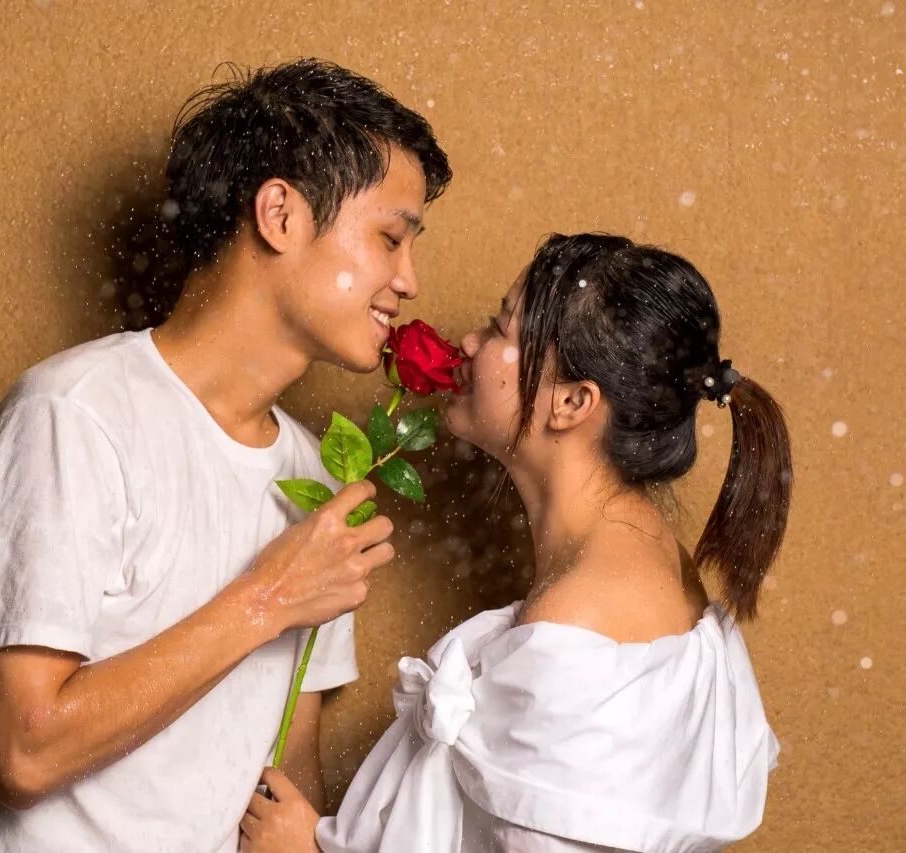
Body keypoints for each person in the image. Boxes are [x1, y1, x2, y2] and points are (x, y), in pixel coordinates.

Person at [0, 58, 452, 852]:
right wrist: (268, 597)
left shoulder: (320, 476)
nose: (408, 281)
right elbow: (25, 750)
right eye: (390, 238)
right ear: (280, 214)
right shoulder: (75, 414)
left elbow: (283, 769)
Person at [240, 233, 791, 852]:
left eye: (499, 328)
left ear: (572, 402)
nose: (469, 343)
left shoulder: (575, 625)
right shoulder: (652, 568)